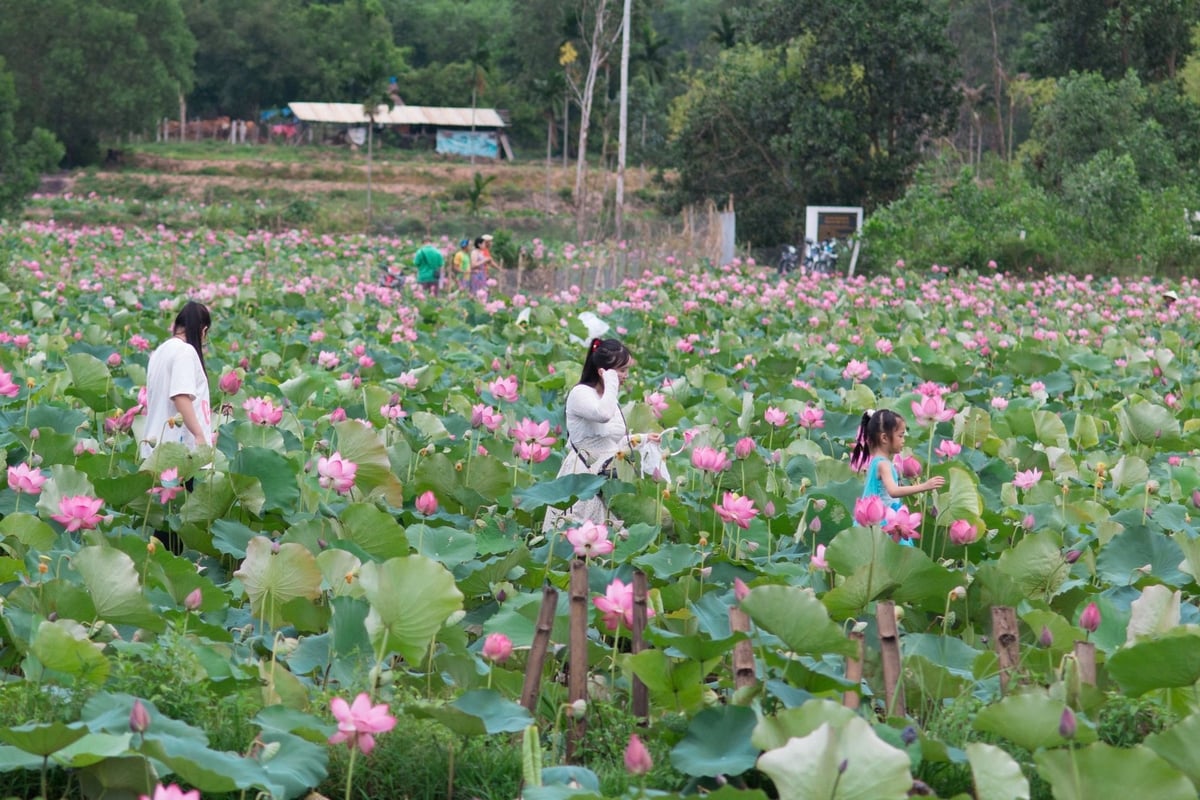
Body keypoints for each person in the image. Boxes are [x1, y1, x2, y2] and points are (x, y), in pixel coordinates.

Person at [543, 338, 639, 532]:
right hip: (584, 472)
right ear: (603, 371)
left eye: (627, 370)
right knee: (580, 534)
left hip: (610, 475)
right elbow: (602, 415)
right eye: (621, 370)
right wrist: (611, 383)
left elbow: (612, 440)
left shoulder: (609, 398)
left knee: (608, 540)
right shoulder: (580, 393)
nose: (625, 376)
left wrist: (643, 439)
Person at [850, 408, 944, 546]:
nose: (904, 440)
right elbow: (893, 492)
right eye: (900, 436)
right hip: (885, 521)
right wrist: (924, 486)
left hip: (882, 519)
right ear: (884, 438)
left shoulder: (876, 461)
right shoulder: (884, 464)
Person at [140, 301, 213, 460]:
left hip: (156, 446)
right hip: (177, 452)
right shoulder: (185, 351)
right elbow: (180, 396)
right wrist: (199, 435)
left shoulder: (160, 351)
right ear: (203, 331)